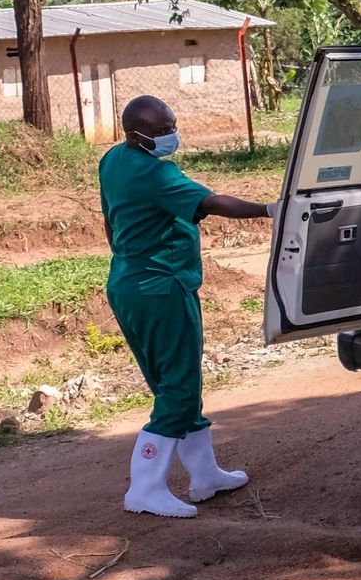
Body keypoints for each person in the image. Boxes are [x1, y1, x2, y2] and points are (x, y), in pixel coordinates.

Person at [101, 96, 272, 517]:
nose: (171, 134)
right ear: (136, 133)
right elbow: (212, 203)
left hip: (129, 283)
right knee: (177, 389)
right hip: (162, 288)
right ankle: (145, 487)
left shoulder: (113, 160)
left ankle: (206, 474)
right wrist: (272, 209)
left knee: (177, 383)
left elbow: (110, 220)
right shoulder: (155, 173)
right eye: (162, 130)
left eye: (172, 125)